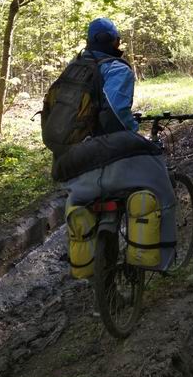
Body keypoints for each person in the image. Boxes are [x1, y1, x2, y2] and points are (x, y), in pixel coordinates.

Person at [53, 18, 177, 272]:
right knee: (161, 182)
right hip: (104, 153)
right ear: (111, 41)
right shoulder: (116, 68)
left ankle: (87, 255)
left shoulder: (74, 68)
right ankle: (163, 259)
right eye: (118, 39)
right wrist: (134, 136)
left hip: (68, 161)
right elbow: (115, 114)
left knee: (84, 206)